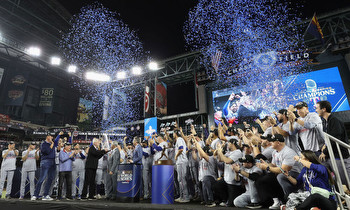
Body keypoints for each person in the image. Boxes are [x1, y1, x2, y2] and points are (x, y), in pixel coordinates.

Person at [256, 134, 302, 209]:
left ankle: (290, 199)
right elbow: (274, 165)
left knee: (280, 176)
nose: (270, 143)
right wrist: (266, 164)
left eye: (272, 142)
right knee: (262, 180)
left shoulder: (288, 152)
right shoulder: (275, 152)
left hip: (295, 174)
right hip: (282, 173)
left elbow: (283, 169)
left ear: (278, 142)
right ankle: (277, 200)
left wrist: (267, 168)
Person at [316, 100, 350, 184]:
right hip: (331, 155)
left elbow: (334, 139)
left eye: (317, 108)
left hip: (340, 156)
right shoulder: (325, 122)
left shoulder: (334, 121)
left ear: (323, 109)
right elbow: (328, 139)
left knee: (346, 180)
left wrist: (325, 152)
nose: (316, 110)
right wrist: (324, 145)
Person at [32, 132, 61, 201]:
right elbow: (47, 151)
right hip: (45, 161)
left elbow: (58, 149)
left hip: (52, 161)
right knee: (42, 178)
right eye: (51, 136)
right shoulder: (43, 144)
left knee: (50, 178)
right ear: (47, 137)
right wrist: (52, 144)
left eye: (52, 136)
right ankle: (35, 195)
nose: (52, 137)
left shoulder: (52, 144)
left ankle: (46, 195)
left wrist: (58, 143)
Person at [194, 142, 217, 207]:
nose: (207, 154)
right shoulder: (201, 160)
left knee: (205, 179)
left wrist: (198, 146)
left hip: (211, 178)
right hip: (203, 180)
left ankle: (211, 200)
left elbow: (203, 155)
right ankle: (205, 200)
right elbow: (197, 156)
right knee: (201, 182)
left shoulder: (211, 158)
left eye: (207, 153)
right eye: (206, 152)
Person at [174, 130, 190, 203]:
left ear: (175, 134)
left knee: (182, 180)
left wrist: (176, 156)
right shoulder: (181, 140)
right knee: (180, 180)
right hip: (182, 161)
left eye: (173, 133)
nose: (173, 135)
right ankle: (182, 196)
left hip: (181, 162)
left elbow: (181, 149)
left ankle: (186, 197)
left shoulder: (179, 139)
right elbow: (186, 150)